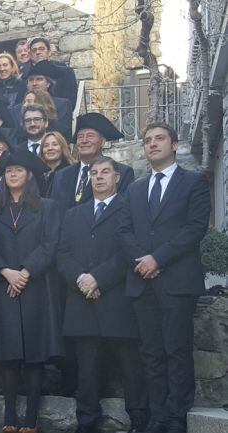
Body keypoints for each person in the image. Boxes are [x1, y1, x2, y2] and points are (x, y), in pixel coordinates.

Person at [118, 123, 211, 433]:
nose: (152, 144)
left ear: (173, 144)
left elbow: (196, 228)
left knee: (177, 350)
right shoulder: (134, 189)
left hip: (176, 281)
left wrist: (158, 258)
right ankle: (158, 416)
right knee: (152, 353)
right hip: (142, 281)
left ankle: (176, 417)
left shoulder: (194, 182)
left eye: (159, 139)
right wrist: (142, 260)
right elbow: (124, 231)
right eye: (147, 141)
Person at [57, 156, 149, 433]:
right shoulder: (74, 214)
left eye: (105, 172)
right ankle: (87, 421)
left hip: (117, 298)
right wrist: (81, 279)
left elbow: (129, 251)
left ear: (117, 177)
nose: (98, 177)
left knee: (130, 365)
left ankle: (141, 420)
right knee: (86, 366)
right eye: (94, 173)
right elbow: (62, 253)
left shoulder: (130, 209)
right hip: (82, 299)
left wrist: (98, 278)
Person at [0, 150, 63, 433]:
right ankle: (10, 418)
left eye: (18, 170)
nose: (13, 174)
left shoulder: (47, 207)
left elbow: (50, 245)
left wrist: (25, 272)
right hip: (4, 287)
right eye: (9, 171)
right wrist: (6, 272)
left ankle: (31, 421)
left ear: (29, 175)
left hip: (35, 287)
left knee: (34, 356)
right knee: (9, 355)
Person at [51, 113, 135, 212]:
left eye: (90, 136)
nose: (84, 141)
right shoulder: (60, 175)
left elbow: (123, 210)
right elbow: (54, 212)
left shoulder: (121, 172)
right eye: (80, 137)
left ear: (102, 142)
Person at [39, 131, 76, 198]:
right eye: (46, 146)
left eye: (55, 144)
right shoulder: (37, 174)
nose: (50, 148)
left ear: (62, 148)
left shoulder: (71, 172)